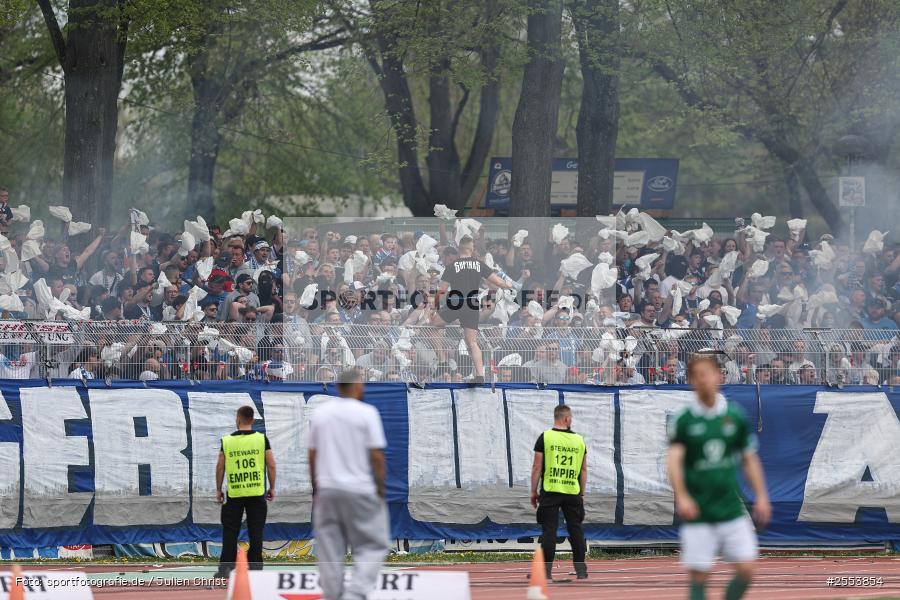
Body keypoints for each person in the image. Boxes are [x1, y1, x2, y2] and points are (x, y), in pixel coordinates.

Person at [667, 353, 771, 600]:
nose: (704, 380)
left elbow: (749, 458)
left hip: (730, 509)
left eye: (708, 373)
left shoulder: (733, 416)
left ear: (718, 376)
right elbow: (673, 460)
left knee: (747, 569)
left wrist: (762, 496)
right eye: (698, 375)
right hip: (699, 510)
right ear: (691, 380)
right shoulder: (684, 419)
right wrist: (681, 496)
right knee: (699, 576)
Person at [309, 368, 389, 600]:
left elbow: (313, 455)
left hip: (328, 488)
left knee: (329, 547)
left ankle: (332, 595)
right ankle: (355, 594)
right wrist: (380, 489)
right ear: (357, 386)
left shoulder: (321, 414)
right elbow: (376, 455)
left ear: (337, 387)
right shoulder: (367, 413)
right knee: (373, 544)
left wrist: (317, 488)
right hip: (359, 487)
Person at [430, 236, 515, 383]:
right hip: (472, 304)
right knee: (472, 342)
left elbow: (442, 289)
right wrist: (508, 284)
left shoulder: (452, 266)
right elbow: (497, 282)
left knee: (432, 325)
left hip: (456, 302)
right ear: (472, 248)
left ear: (459, 248)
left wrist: (434, 306)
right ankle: (480, 375)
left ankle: (443, 361)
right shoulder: (479, 264)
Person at [214, 405, 276, 578]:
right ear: (253, 420)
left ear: (238, 419)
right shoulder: (261, 439)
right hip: (256, 493)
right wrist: (272, 487)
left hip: (234, 494)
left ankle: (226, 569)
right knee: (256, 531)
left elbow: (220, 467)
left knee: (230, 531)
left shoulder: (227, 440)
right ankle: (255, 568)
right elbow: (271, 464)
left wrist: (219, 489)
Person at [530, 404, 588, 581]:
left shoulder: (545, 437)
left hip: (551, 489)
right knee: (576, 530)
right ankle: (581, 570)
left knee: (549, 531)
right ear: (567, 419)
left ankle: (546, 571)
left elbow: (537, 467)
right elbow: (583, 470)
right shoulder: (579, 440)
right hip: (572, 491)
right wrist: (582, 494)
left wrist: (533, 491)